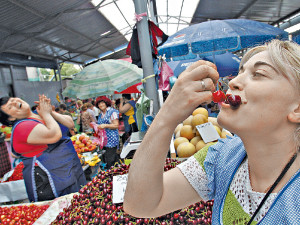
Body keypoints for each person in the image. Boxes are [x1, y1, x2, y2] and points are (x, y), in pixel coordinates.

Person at [123, 40, 300, 224]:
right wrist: (166, 116)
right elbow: (139, 204)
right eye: (240, 72)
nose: (233, 82)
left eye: (258, 74)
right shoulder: (222, 157)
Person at [0, 95, 86, 202]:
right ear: (11, 118)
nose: (14, 102)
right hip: (50, 180)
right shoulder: (20, 127)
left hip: (70, 169)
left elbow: (70, 123)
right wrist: (46, 114)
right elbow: (54, 135)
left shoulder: (37, 114)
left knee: (80, 204)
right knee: (63, 211)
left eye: (13, 99)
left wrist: (50, 111)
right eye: (10, 106)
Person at [95, 96, 120, 169]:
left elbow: (116, 125)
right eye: (99, 103)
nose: (100, 105)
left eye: (102, 103)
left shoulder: (112, 112)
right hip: (104, 140)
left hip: (111, 139)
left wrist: (105, 125)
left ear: (106, 103)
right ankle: (119, 171)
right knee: (112, 157)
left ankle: (112, 174)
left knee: (110, 160)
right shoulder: (100, 114)